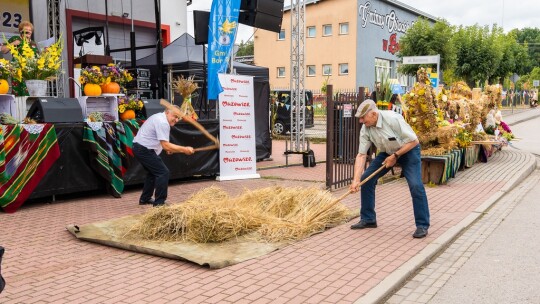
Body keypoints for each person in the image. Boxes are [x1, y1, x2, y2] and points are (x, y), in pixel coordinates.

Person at [349, 99, 430, 238]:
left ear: (373, 114)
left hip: (408, 150)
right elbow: (361, 155)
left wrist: (396, 156)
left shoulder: (393, 119)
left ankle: (422, 225)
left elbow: (414, 141)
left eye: (363, 117)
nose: (361, 121)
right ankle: (368, 219)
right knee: (366, 180)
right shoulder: (366, 128)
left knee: (416, 185)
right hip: (387, 152)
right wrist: (356, 180)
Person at [132, 107, 195, 207]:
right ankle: (159, 204)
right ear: (167, 112)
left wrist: (168, 148)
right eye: (175, 116)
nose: (176, 120)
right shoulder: (163, 122)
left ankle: (145, 198)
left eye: (178, 118)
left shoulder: (159, 117)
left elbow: (163, 143)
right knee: (163, 173)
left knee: (153, 173)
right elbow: (166, 145)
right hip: (143, 149)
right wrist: (185, 149)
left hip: (140, 147)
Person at [1, 20, 39, 96]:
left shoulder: (33, 43)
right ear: (21, 31)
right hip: (17, 71)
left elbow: (38, 58)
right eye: (26, 30)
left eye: (30, 30)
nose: (28, 32)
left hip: (31, 72)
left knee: (30, 94)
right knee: (18, 94)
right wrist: (13, 43)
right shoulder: (15, 39)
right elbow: (3, 50)